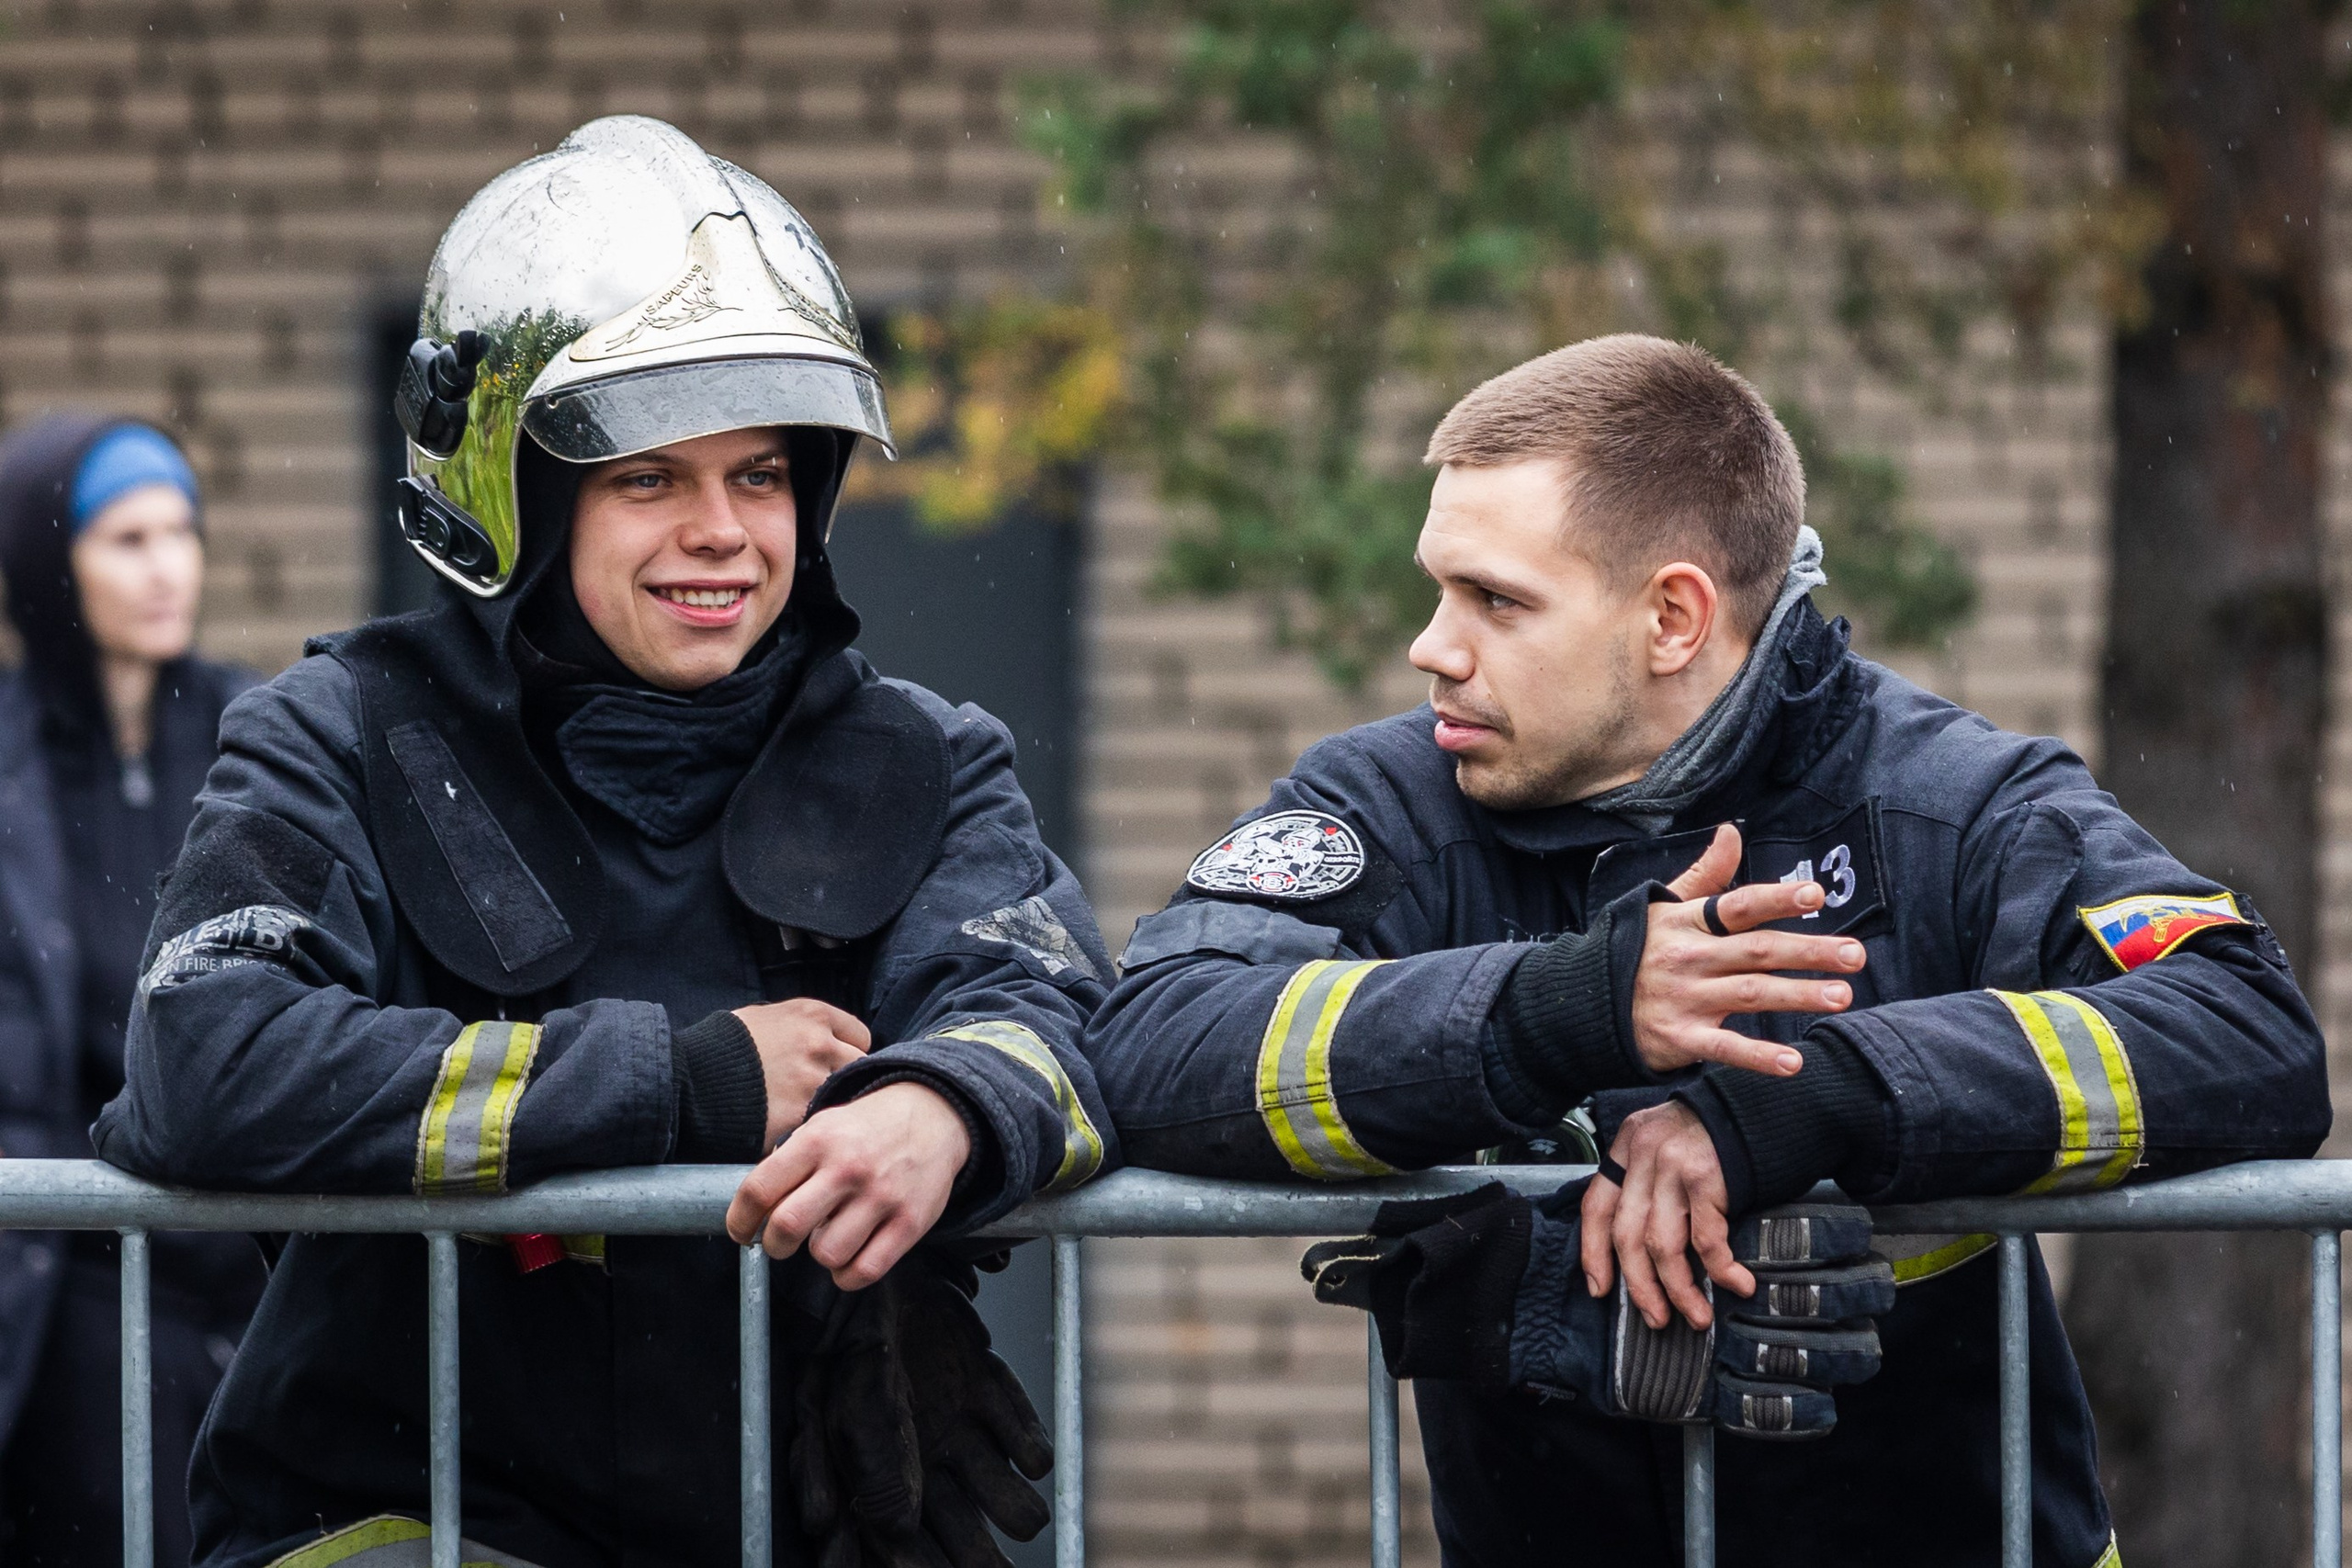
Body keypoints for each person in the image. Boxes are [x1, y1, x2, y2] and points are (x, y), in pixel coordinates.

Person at [1086, 334, 2331, 1566]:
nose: (1433, 646)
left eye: (1496, 600)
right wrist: (1550, 1013)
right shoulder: (1389, 806)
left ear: (1673, 616)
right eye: (1438, 588)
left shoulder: (1947, 804)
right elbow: (1151, 1044)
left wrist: (1834, 1097)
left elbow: (2251, 1036)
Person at [94, 116, 1114, 1568]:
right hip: (399, 1512)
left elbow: (1065, 1016)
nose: (722, 533)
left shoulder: (927, 757)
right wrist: (676, 1083)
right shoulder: (341, 731)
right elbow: (206, 1061)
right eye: (649, 479)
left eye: (759, 474)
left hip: (789, 1512)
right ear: (517, 492)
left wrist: (942, 1103)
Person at [0, 416, 266, 1565]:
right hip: (65, 1288)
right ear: (47, 561)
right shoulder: (7, 760)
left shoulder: (259, 732)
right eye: (127, 537)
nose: (169, 567)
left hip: (251, 1272)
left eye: (184, 531)